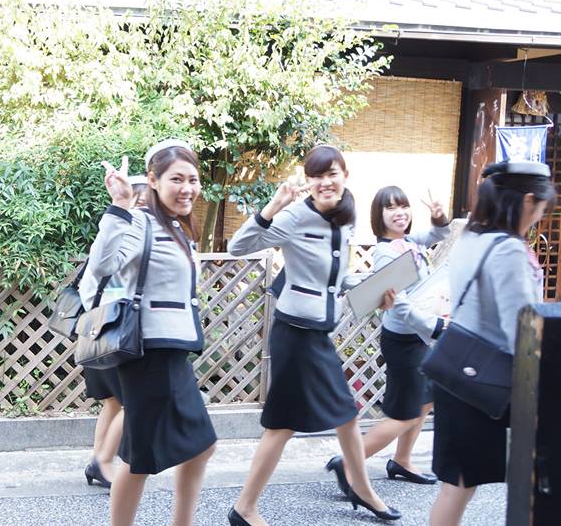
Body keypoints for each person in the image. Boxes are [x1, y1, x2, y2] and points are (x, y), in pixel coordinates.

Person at [226, 145, 401, 525]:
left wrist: (376, 289)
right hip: (294, 335)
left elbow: (337, 279)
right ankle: (245, 507)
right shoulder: (294, 216)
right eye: (317, 176)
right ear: (308, 181)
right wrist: (273, 207)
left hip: (317, 335)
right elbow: (237, 247)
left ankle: (360, 488)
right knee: (285, 425)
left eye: (332, 174)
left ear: (345, 176)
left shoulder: (345, 218)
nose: (325, 182)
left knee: (344, 414)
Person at [88, 139, 217, 526]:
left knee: (200, 445)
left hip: (172, 352)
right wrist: (119, 207)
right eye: (176, 179)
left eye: (192, 179)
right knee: (141, 457)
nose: (187, 188)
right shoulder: (140, 222)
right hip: (147, 354)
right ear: (154, 180)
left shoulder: (177, 227)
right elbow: (102, 266)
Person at [428, 160, 555, 526]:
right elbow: (522, 329)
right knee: (462, 484)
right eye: (543, 207)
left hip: (458, 370)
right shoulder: (508, 249)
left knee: (457, 484)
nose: (541, 216)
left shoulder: (472, 237)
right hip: (487, 382)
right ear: (528, 201)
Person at [326, 186, 450, 492]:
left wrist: (438, 215)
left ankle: (402, 460)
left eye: (404, 206)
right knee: (404, 414)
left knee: (424, 401)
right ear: (378, 216)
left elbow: (440, 234)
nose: (400, 213)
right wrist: (435, 326)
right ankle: (348, 464)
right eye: (391, 208)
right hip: (405, 341)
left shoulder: (408, 241)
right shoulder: (386, 253)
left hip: (417, 338)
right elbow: (400, 305)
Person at [78, 175, 150, 489]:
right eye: (142, 202)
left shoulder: (118, 230)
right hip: (115, 331)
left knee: (113, 401)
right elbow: (99, 276)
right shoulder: (130, 231)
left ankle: (99, 461)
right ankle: (103, 461)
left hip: (100, 329)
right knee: (133, 399)